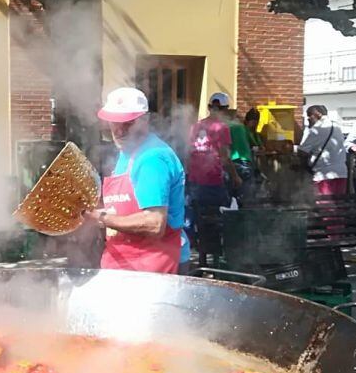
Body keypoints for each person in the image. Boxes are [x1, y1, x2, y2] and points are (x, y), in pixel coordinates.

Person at [84, 87, 187, 274]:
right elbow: (125, 204)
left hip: (151, 267)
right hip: (124, 264)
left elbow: (154, 223)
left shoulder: (152, 160)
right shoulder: (127, 152)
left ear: (144, 120)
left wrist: (101, 218)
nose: (119, 130)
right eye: (114, 122)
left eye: (128, 123)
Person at [185, 92, 236, 241]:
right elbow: (225, 157)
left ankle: (198, 245)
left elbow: (188, 152)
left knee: (197, 214)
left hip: (195, 179)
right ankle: (213, 248)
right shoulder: (222, 128)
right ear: (225, 109)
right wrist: (235, 176)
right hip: (213, 180)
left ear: (209, 107)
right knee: (219, 215)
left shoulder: (196, 126)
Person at [297, 105, 348, 196]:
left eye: (309, 115)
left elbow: (302, 152)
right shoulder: (337, 126)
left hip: (324, 175)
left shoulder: (317, 129)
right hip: (341, 173)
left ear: (318, 114)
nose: (308, 119)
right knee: (339, 205)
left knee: (325, 207)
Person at [227, 107, 256, 199]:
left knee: (232, 192)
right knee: (246, 195)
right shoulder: (243, 127)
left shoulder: (224, 127)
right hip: (245, 162)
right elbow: (254, 143)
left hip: (232, 162)